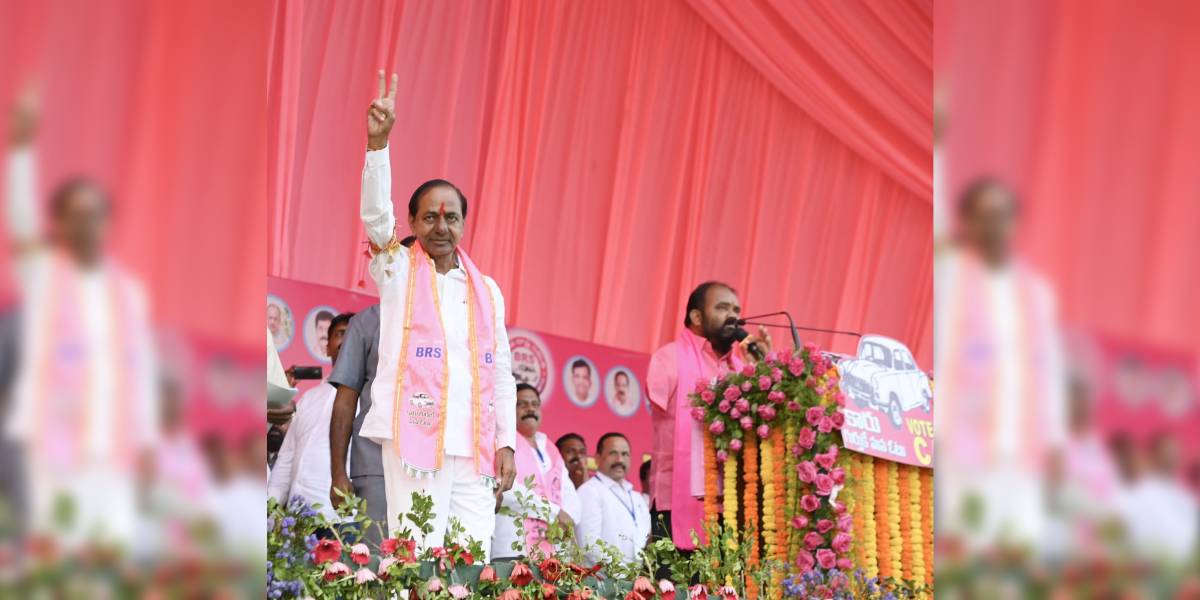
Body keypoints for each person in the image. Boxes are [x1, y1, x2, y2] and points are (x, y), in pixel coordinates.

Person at [355, 71, 516, 557]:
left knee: (472, 560)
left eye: (451, 217)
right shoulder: (397, 268)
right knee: (415, 554)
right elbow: (374, 217)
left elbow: (503, 372)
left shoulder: (486, 290)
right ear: (413, 223)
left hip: (475, 447)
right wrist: (377, 146)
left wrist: (506, 441)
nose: (441, 225)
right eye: (430, 216)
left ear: (464, 222)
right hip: (413, 441)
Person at [4, 85, 158, 548]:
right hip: (55, 452)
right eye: (76, 215)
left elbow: (141, 372)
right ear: (62, 224)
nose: (87, 223)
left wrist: (149, 442)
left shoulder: (128, 293)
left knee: (112, 566)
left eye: (95, 214)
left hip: (114, 453)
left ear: (106, 223)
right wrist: (21, 152)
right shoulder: (44, 277)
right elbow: (22, 221)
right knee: (58, 566)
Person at [934, 179, 1067, 554]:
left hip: (1025, 448)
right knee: (971, 554)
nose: (994, 225)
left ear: (1015, 222)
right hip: (966, 448)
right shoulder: (948, 281)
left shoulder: (1037, 292)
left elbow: (1050, 372)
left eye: (1002, 216)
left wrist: (1056, 442)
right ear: (967, 222)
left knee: (1021, 554)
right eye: (984, 216)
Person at [646, 281, 769, 549]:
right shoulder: (668, 358)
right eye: (722, 307)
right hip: (675, 502)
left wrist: (762, 369)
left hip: (731, 505)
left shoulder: (741, 369)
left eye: (736, 309)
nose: (732, 315)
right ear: (696, 316)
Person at [269, 313, 353, 520]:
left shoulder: (371, 400)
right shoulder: (309, 398)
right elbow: (287, 456)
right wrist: (271, 505)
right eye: (341, 334)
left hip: (339, 522)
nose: (346, 340)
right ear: (327, 346)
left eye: (354, 335)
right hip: (296, 522)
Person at [493, 384, 580, 560]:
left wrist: (568, 520)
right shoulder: (501, 442)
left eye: (535, 404)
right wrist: (554, 514)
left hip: (553, 551)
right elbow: (506, 488)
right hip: (514, 548)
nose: (530, 408)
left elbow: (569, 493)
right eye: (522, 404)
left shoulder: (550, 448)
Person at [328, 304, 389, 543]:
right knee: (377, 563)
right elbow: (345, 402)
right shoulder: (367, 322)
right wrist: (338, 473)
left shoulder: (447, 316)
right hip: (375, 465)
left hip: (435, 466)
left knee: (431, 568)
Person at [576, 432, 651, 566]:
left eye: (625, 454)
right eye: (613, 453)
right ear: (598, 458)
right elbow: (589, 545)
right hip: (603, 582)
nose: (620, 460)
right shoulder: (589, 491)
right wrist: (621, 573)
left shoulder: (636, 497)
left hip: (637, 582)